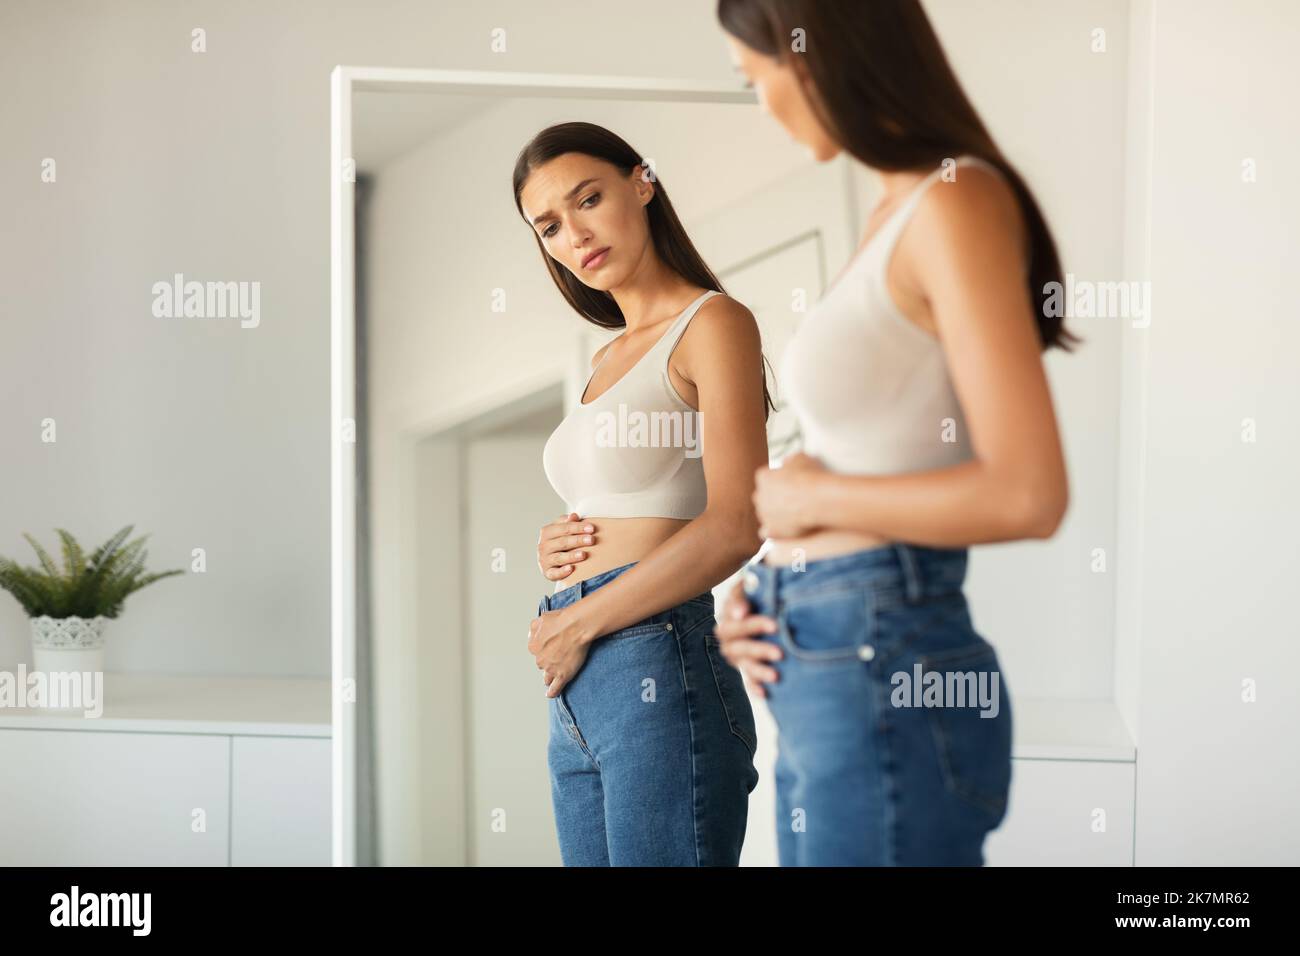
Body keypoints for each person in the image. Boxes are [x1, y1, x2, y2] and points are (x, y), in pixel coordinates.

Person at [713, 0, 1079, 865]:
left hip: (880, 652)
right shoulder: (891, 212)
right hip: (825, 649)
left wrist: (814, 497)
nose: (759, 104)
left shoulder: (954, 201)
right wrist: (768, 589)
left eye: (752, 77)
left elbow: (1031, 493)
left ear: (811, 55)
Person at [514, 121, 770, 865]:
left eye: (588, 199)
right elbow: (628, 498)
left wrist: (584, 616)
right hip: (578, 679)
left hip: (652, 657)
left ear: (642, 181)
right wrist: (557, 546)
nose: (575, 235)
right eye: (550, 226)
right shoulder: (604, 357)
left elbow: (737, 523)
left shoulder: (712, 323)